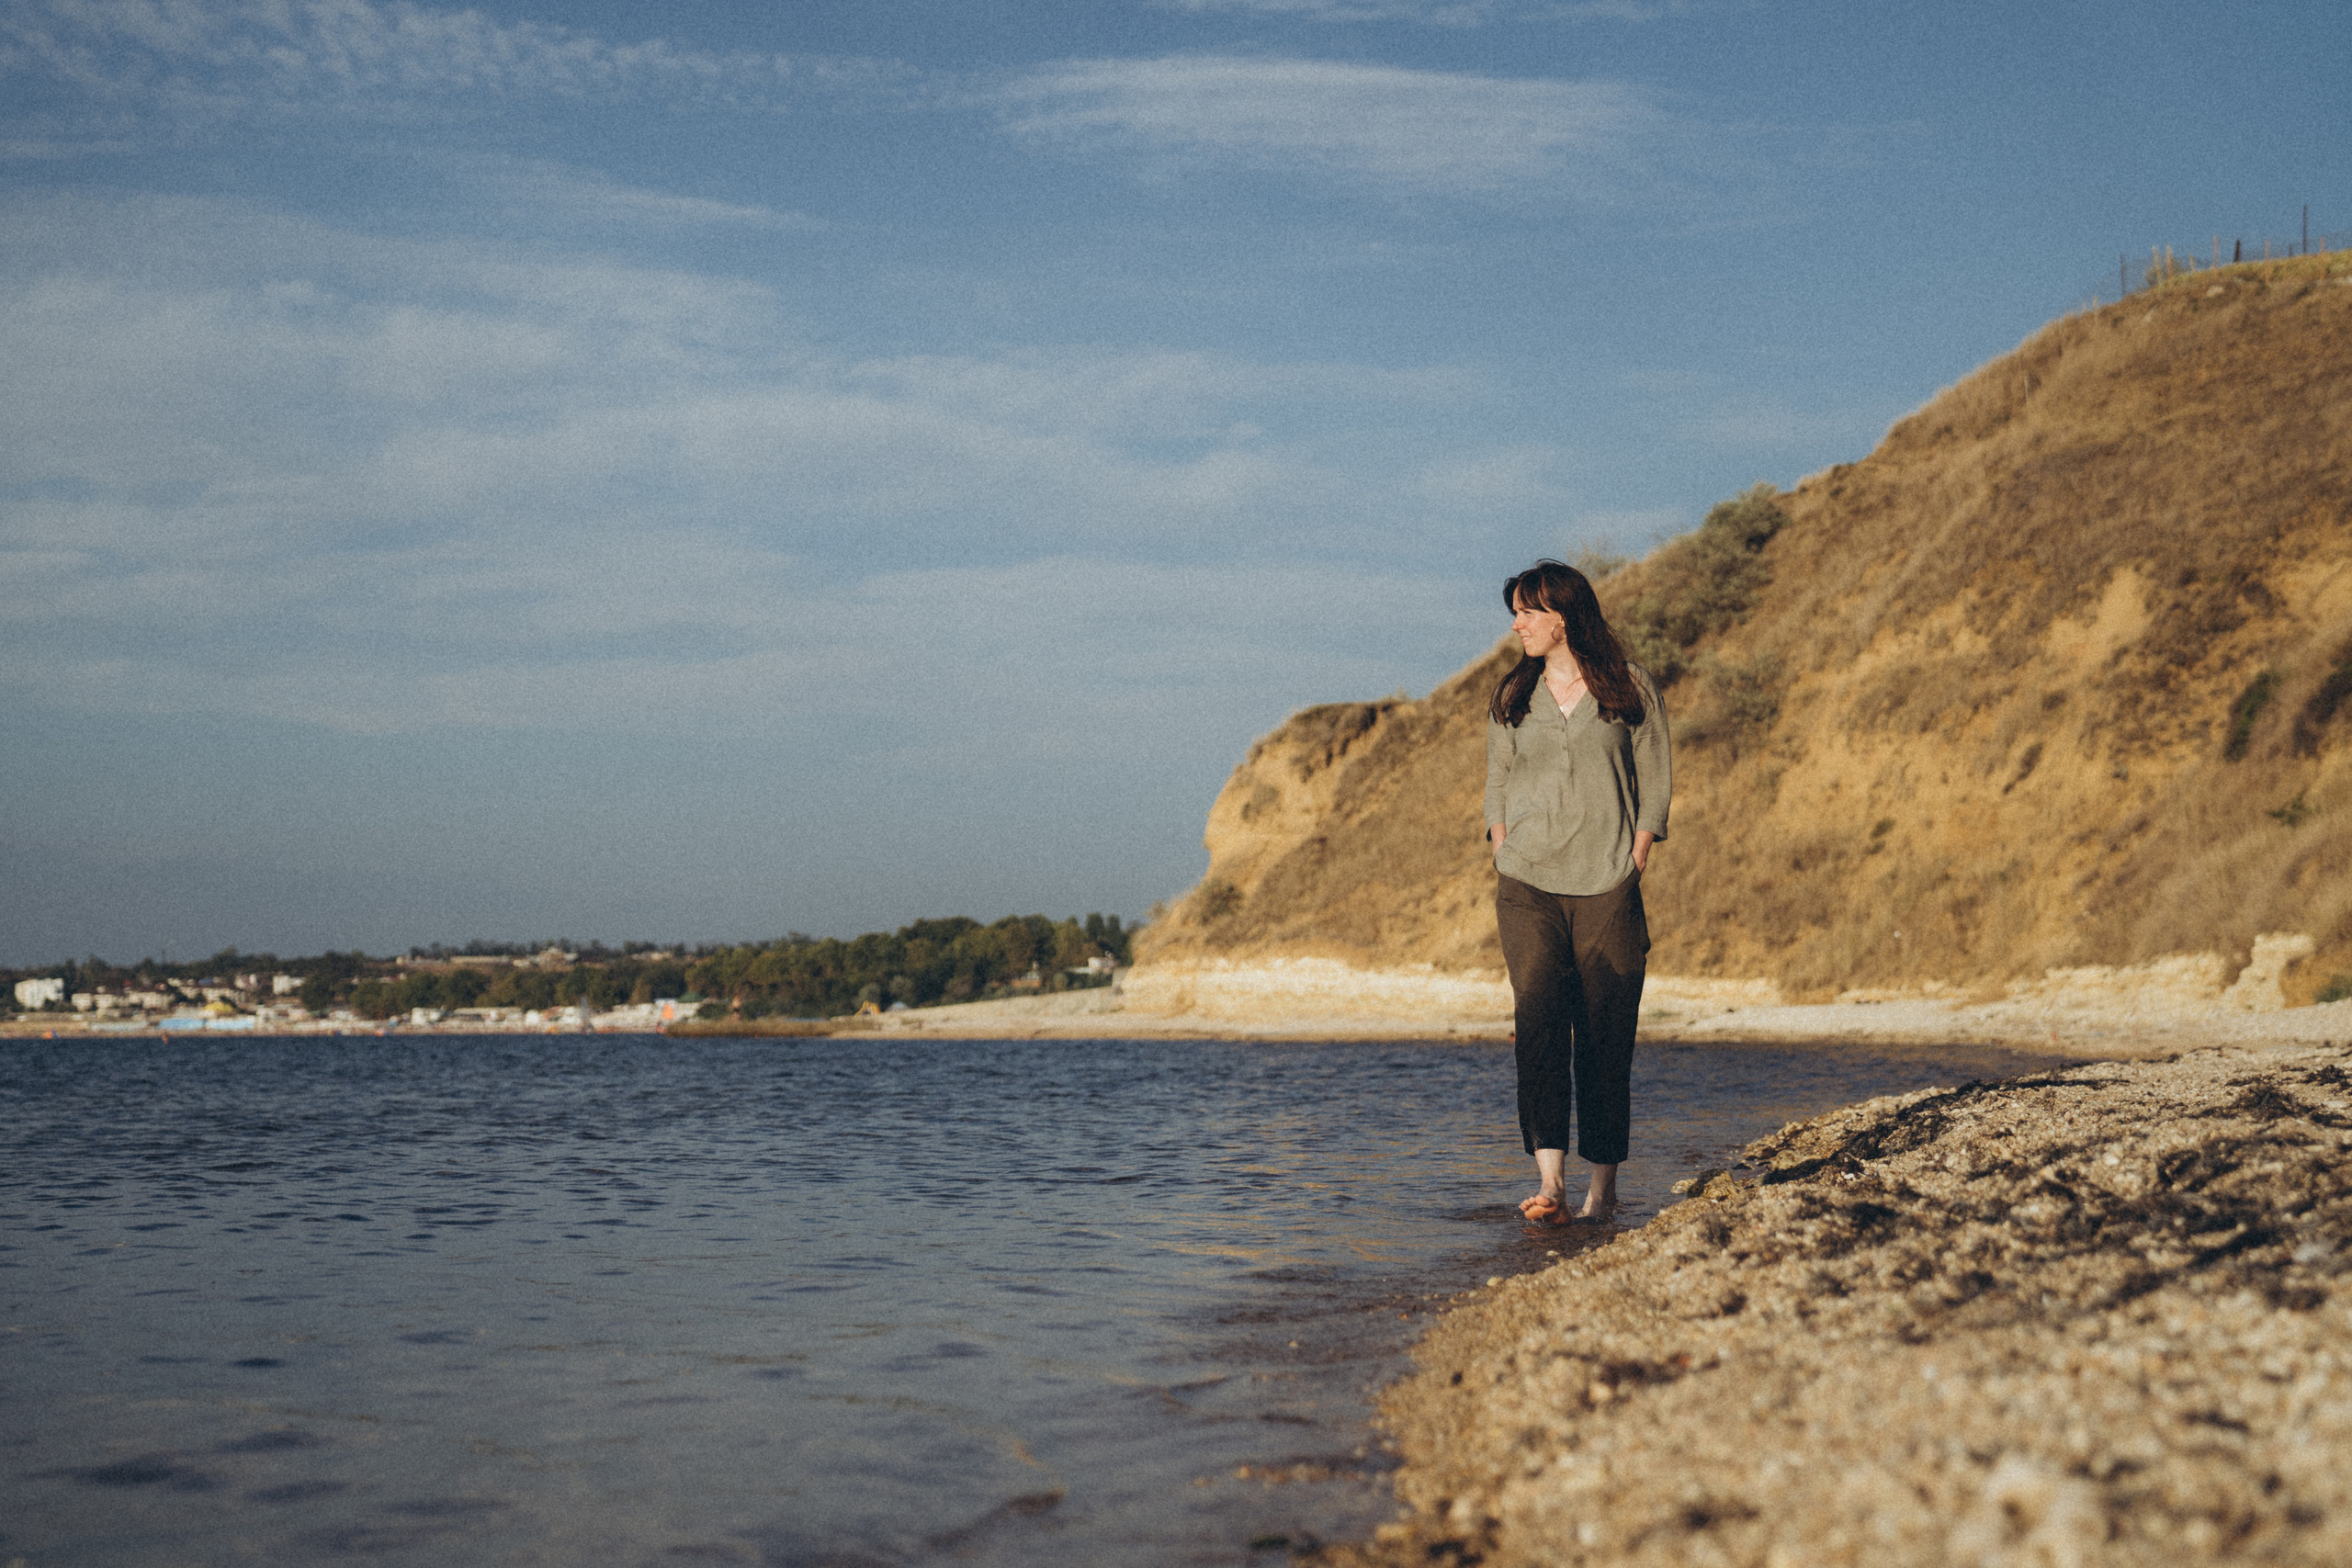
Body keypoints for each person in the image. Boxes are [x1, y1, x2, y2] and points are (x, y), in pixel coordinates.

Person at [1485, 559, 1670, 1224]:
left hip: (1606, 885)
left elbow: (1656, 777)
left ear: (1560, 615)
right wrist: (1503, 845)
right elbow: (1497, 779)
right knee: (1537, 1026)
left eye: (1527, 612)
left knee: (1603, 1034)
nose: (1517, 624)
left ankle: (1603, 1187)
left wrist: (1638, 853)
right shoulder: (1515, 693)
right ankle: (1552, 1182)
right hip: (1527, 883)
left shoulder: (1629, 687)